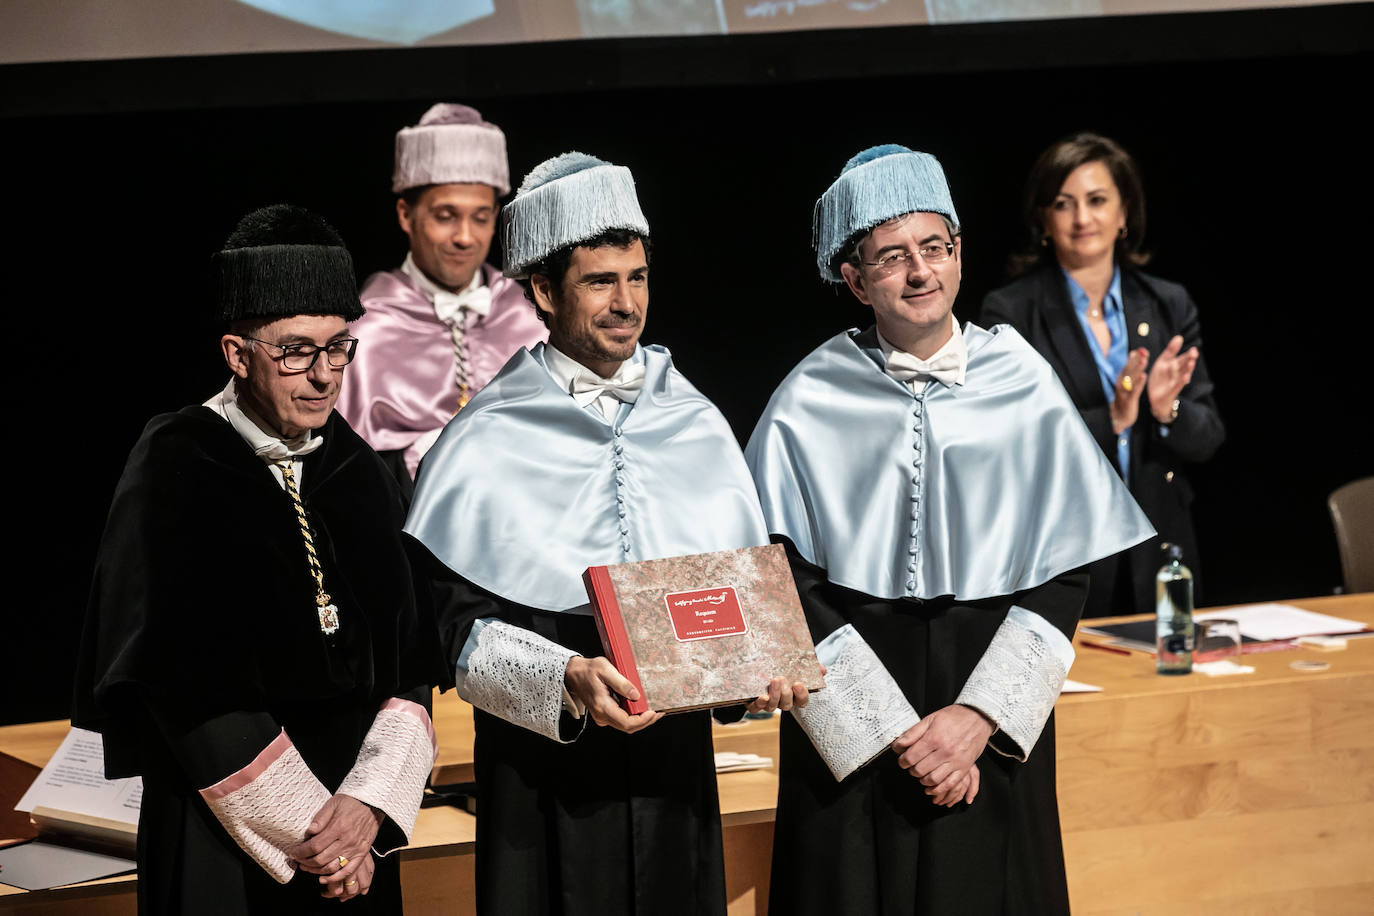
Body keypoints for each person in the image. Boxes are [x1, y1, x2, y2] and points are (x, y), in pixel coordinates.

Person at [746, 144, 1154, 916]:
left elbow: (1063, 573)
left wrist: (977, 720)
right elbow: (780, 578)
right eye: (892, 257)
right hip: (855, 746)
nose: (920, 271)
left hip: (989, 739)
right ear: (856, 279)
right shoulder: (808, 399)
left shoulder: (1024, 382)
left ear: (959, 254)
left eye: (935, 248)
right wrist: (896, 733)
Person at [405, 152, 810, 916]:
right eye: (600, 281)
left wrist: (752, 670)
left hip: (673, 778)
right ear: (543, 292)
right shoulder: (485, 437)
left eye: (638, 277)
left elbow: (733, 595)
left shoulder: (691, 419)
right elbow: (458, 639)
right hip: (543, 785)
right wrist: (566, 678)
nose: (626, 302)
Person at [73, 205, 442, 914]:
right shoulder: (177, 464)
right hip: (230, 829)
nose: (324, 376)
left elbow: (411, 661)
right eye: (296, 351)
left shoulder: (358, 469)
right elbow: (181, 678)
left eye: (339, 348)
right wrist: (318, 833)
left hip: (353, 833)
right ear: (237, 355)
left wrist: (365, 808)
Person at [981, 132, 1225, 616]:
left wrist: (1164, 409)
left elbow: (1208, 438)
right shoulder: (1010, 313)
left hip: (1163, 554)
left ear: (1124, 213)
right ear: (1043, 220)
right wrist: (1109, 419)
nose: (1082, 218)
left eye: (1096, 201)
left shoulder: (1167, 304)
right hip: (1064, 566)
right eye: (1063, 204)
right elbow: (1005, 447)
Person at [336, 102, 548, 486]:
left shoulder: (526, 316)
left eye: (481, 218)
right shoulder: (368, 330)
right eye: (446, 216)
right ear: (406, 214)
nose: (465, 237)